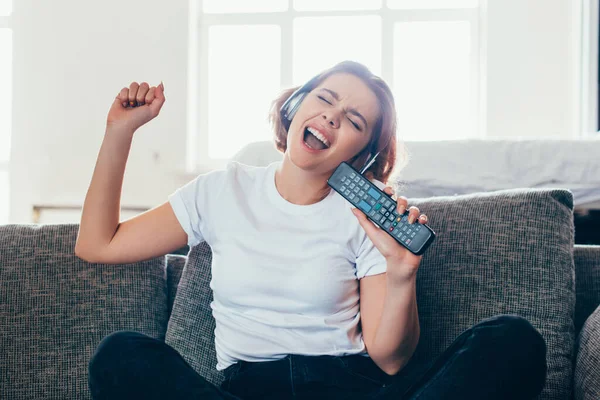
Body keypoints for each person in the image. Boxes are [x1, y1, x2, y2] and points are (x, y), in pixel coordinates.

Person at [77, 61, 547, 400]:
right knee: (121, 356)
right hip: (249, 390)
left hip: (352, 388)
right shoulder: (221, 191)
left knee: (511, 341)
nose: (332, 116)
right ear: (296, 105)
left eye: (354, 120)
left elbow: (390, 360)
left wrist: (402, 271)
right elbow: (98, 244)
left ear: (362, 156)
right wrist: (120, 131)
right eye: (325, 99)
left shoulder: (366, 217)